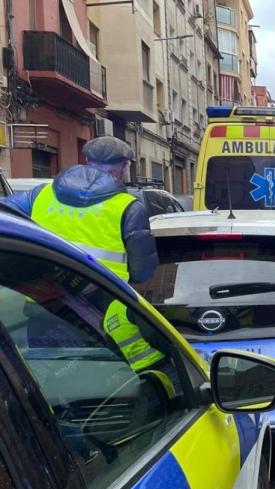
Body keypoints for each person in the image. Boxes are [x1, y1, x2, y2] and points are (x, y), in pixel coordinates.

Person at [1, 137, 169, 376]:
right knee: (101, 381)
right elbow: (143, 272)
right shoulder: (129, 208)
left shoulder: (40, 195)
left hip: (44, 307)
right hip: (101, 315)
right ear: (122, 166)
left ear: (87, 161)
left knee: (49, 382)